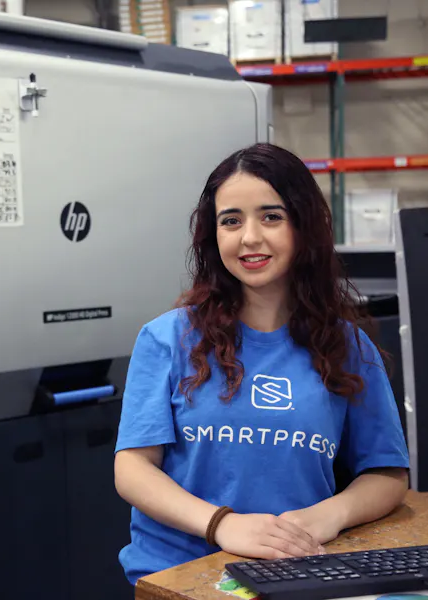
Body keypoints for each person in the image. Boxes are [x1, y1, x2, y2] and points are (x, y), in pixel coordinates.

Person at [113, 142, 410, 586]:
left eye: (271, 217)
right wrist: (223, 524)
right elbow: (133, 469)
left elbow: (387, 473)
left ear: (303, 227)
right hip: (178, 577)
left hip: (296, 569)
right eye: (231, 221)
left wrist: (327, 517)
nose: (250, 237)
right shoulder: (166, 338)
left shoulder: (347, 347)